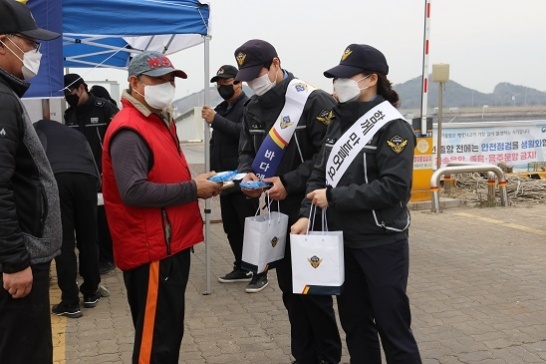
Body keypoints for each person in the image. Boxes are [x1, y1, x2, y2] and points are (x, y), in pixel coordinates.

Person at [291, 44, 422, 363]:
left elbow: (395, 189)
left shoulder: (393, 126)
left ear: (371, 79)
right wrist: (307, 214)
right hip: (342, 240)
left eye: (346, 77)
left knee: (393, 327)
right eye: (337, 78)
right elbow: (320, 172)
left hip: (381, 241)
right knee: (355, 324)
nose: (338, 84)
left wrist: (334, 198)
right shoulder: (339, 120)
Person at [101, 50, 222, 363]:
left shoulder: (158, 120)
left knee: (168, 334)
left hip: (170, 245)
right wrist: (192, 189)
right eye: (157, 80)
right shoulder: (130, 128)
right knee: (155, 344)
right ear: (134, 82)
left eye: (171, 80)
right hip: (153, 249)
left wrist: (198, 181)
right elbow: (134, 191)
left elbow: (162, 172)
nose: (166, 86)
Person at [234, 39, 342, 364]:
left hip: (311, 213)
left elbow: (329, 156)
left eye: (258, 74)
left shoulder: (312, 101)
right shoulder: (251, 108)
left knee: (315, 294)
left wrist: (289, 182)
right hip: (275, 215)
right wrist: (246, 178)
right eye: (248, 78)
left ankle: (327, 357)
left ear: (276, 65)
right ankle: (303, 356)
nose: (254, 83)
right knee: (290, 293)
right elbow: (246, 153)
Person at [0, 0, 62, 362]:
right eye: (30, 44)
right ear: (3, 42)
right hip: (22, 261)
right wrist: (13, 262)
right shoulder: (2, 101)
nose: (36, 53)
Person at [201, 65, 266, 292]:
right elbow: (215, 144)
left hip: (243, 176)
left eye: (225, 82)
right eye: (218, 83)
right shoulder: (222, 108)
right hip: (224, 178)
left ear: (238, 83)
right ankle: (241, 265)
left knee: (250, 227)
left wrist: (216, 120)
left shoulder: (249, 106)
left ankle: (260, 272)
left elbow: (243, 133)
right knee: (231, 227)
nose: (221, 86)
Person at [34, 118, 102, 318]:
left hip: (58, 179)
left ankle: (70, 302)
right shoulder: (75, 133)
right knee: (89, 238)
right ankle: (91, 292)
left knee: (64, 241)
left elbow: (35, 160)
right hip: (87, 177)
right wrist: (95, 184)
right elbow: (91, 159)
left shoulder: (37, 130)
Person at [64, 73, 119, 275]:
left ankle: (108, 258)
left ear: (81, 87)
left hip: (104, 174)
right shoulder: (69, 115)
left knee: (104, 219)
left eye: (70, 91)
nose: (67, 96)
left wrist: (110, 169)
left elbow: (119, 139)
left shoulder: (104, 108)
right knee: (88, 220)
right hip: (81, 176)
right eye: (64, 93)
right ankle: (93, 259)